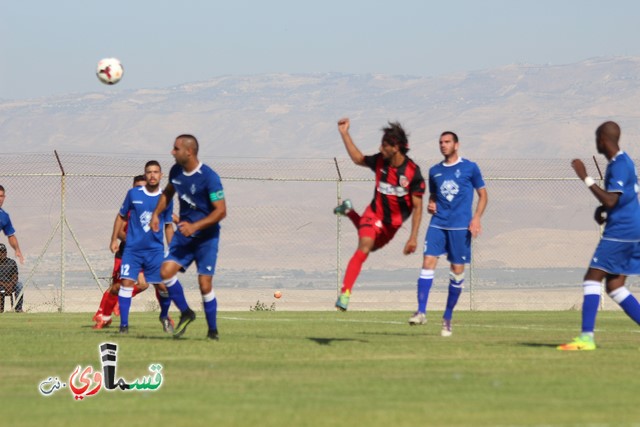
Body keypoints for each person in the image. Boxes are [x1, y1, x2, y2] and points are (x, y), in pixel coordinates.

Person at [558, 121, 640, 351]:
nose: (596, 143)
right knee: (615, 285)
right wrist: (603, 210)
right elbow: (622, 199)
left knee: (592, 278)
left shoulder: (620, 165)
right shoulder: (621, 163)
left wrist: (585, 177)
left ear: (603, 140)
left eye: (597, 138)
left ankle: (586, 338)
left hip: (622, 232)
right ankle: (586, 337)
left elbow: (612, 199)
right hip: (629, 228)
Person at [333, 118, 425, 311]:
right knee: (364, 246)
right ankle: (345, 293)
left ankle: (349, 211)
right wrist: (344, 133)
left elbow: (418, 208)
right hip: (374, 214)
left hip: (392, 225)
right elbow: (358, 158)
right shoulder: (380, 161)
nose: (380, 148)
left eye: (384, 145)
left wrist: (413, 237)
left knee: (371, 247)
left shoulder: (412, 173)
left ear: (396, 147)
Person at [408, 131, 487, 336]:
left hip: (461, 227)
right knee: (427, 262)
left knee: (457, 272)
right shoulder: (434, 171)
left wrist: (476, 217)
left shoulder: (470, 167)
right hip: (438, 224)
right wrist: (431, 204)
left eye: (447, 142)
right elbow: (434, 195)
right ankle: (421, 312)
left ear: (456, 145)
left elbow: (483, 195)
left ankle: (447, 317)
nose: (443, 145)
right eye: (441, 142)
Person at [151, 134, 227, 340]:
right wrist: (156, 214)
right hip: (184, 236)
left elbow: (221, 211)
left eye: (176, 148)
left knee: (204, 285)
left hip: (206, 238)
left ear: (189, 152)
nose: (172, 152)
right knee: (165, 271)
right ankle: (186, 312)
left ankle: (212, 331)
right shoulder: (176, 171)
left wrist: (195, 227)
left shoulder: (209, 177)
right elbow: (167, 193)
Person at [112, 161, 175, 334]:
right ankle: (123, 326)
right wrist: (113, 239)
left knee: (162, 286)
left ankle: (164, 315)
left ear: (161, 175)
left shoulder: (166, 198)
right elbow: (120, 217)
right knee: (126, 283)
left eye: (156, 172)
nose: (152, 175)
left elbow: (169, 226)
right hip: (132, 250)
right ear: (145, 175)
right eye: (149, 172)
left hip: (155, 250)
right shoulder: (133, 194)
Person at [93, 175, 157, 329]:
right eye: (137, 188)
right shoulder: (129, 209)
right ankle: (102, 315)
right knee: (117, 286)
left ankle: (117, 303)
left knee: (143, 284)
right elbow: (120, 231)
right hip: (126, 254)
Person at [0, 185, 24, 264]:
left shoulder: (4, 216)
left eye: (1, 196)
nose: (0, 199)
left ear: (4, 197)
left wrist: (17, 249)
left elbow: (10, 235)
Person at [0, 243, 23, 312]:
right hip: (1, 285)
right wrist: (4, 285)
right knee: (1, 290)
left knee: (19, 285)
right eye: (0, 252)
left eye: (3, 251)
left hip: (10, 284)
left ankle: (18, 309)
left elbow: (15, 276)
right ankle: (1, 310)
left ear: (6, 252)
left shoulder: (11, 262)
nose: (2, 253)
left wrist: (11, 284)